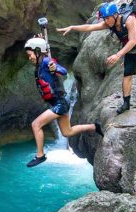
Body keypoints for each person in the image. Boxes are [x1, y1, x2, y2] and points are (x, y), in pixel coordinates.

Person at [57, 2, 136, 115]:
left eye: (107, 18)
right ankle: (126, 104)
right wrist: (72, 27)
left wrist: (117, 55)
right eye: (104, 19)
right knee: (127, 75)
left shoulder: (129, 20)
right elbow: (90, 27)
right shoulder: (110, 23)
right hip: (131, 51)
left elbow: (132, 41)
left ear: (115, 15)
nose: (105, 21)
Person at [24, 37, 104, 167]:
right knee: (67, 132)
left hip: (60, 103)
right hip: (59, 102)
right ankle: (95, 127)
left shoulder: (46, 62)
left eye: (30, 54)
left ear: (38, 52)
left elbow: (63, 71)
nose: (29, 57)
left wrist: (55, 68)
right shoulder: (40, 64)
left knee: (36, 124)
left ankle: (40, 155)